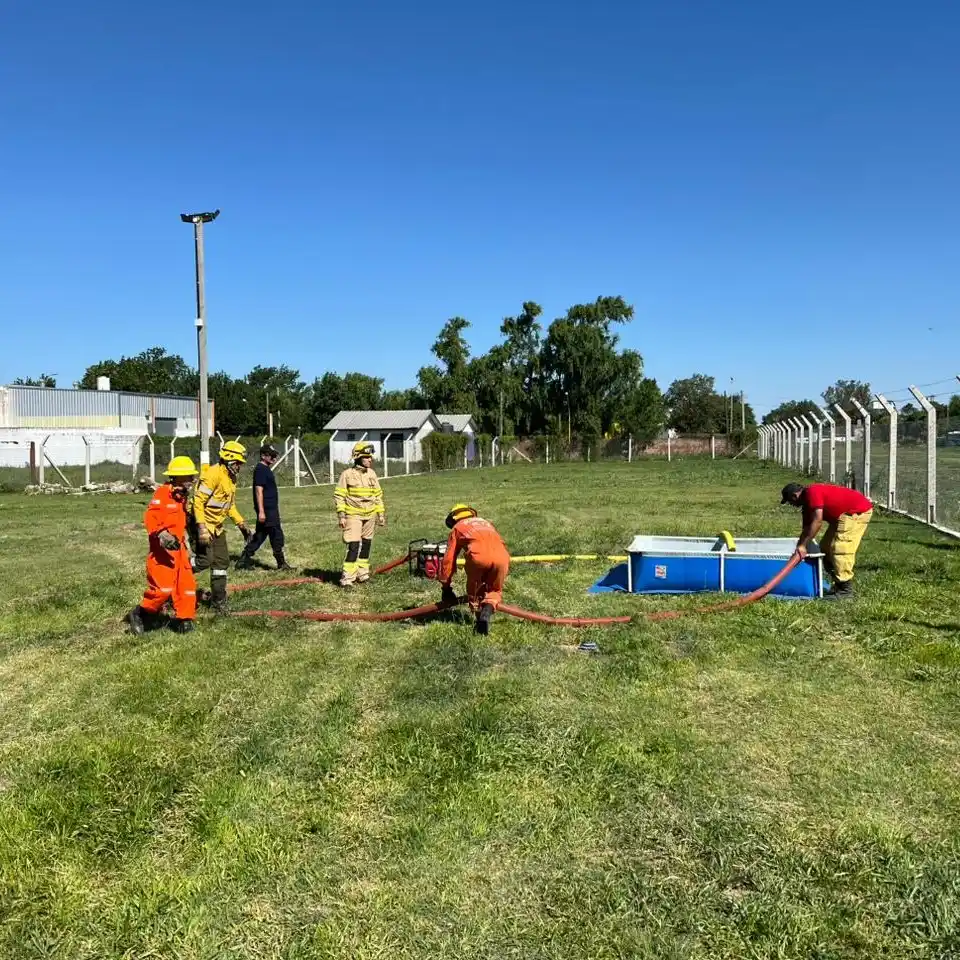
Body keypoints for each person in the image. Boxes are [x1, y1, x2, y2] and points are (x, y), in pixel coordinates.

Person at [128, 456, 199, 635]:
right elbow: (150, 517)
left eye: (192, 477)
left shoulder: (182, 498)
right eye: (189, 477)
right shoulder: (162, 494)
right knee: (163, 590)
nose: (192, 480)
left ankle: (184, 620)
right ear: (177, 478)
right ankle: (139, 613)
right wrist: (161, 533)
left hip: (179, 550)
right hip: (162, 552)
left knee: (186, 587)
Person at [781, 481, 873, 599]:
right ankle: (838, 584)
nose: (791, 505)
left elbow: (817, 521)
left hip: (856, 511)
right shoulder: (807, 505)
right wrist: (800, 546)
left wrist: (803, 546)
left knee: (840, 549)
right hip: (841, 516)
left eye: (790, 501)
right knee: (825, 548)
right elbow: (807, 529)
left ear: (795, 496)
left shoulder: (812, 492)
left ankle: (845, 590)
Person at [192, 440, 251, 613]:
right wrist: (201, 528)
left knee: (221, 563)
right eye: (238, 463)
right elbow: (198, 501)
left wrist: (241, 524)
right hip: (202, 524)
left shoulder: (231, 478)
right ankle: (176, 576)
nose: (240, 467)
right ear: (229, 460)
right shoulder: (213, 474)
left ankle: (219, 601)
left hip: (217, 526)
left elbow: (229, 505)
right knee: (204, 561)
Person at [437, 503, 510, 635]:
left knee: (475, 591)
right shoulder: (486, 523)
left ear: (454, 518)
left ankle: (479, 620)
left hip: (478, 558)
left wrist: (446, 587)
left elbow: (449, 559)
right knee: (495, 590)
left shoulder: (457, 528)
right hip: (502, 557)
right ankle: (487, 610)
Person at [334, 441, 385, 587]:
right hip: (353, 515)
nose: (371, 459)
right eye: (367, 457)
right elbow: (339, 496)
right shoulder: (347, 475)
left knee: (366, 545)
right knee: (354, 546)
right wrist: (342, 515)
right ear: (358, 458)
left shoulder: (372, 474)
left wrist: (380, 514)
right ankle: (347, 579)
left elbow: (378, 495)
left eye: (370, 457)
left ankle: (362, 575)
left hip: (370, 515)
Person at [236, 444, 293, 571]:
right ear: (263, 456)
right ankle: (281, 563)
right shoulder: (261, 469)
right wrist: (261, 511)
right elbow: (258, 490)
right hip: (267, 510)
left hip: (269, 509)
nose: (274, 458)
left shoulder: (265, 469)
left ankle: (243, 560)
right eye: (271, 456)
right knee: (276, 535)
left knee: (261, 535)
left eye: (275, 456)